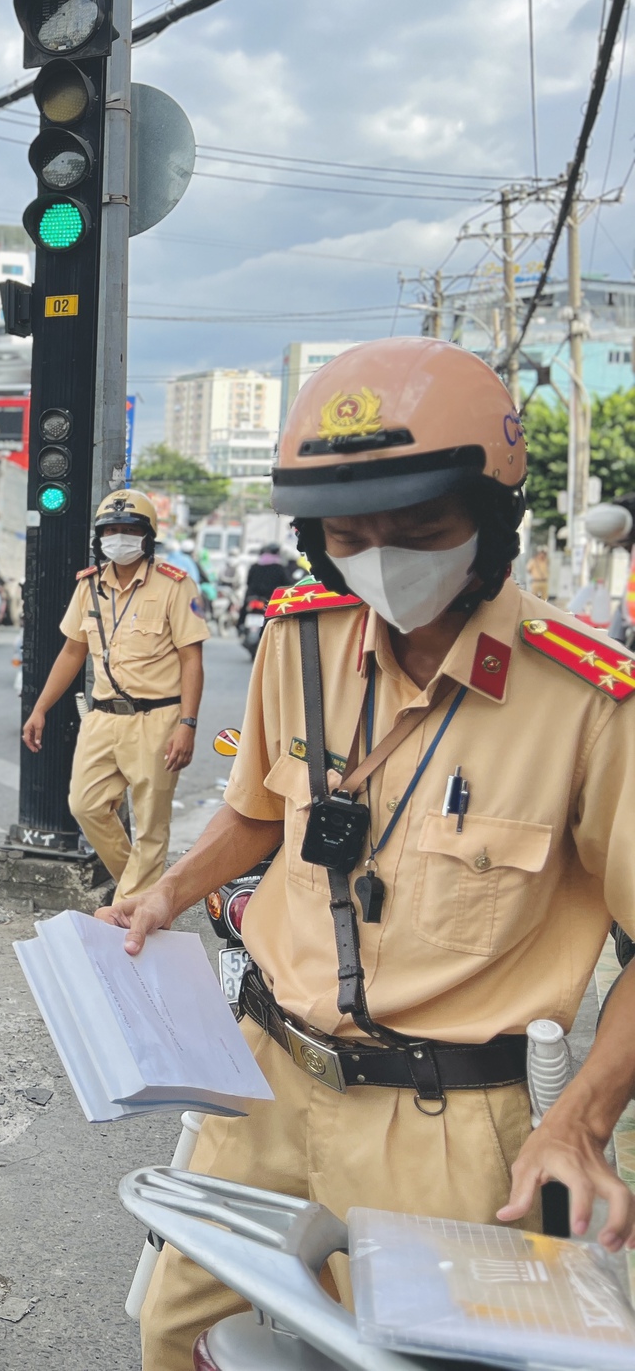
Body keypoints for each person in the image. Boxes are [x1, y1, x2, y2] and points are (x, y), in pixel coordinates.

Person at [118, 337, 635, 1368]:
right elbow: (261, 810)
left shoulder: (587, 701)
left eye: (419, 530)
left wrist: (576, 1124)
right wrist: (163, 890)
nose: (381, 558)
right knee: (170, 1334)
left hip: (446, 1124)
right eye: (347, 535)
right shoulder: (296, 640)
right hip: (259, 1080)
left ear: (490, 521)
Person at [22, 490, 207, 903]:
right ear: (99, 537)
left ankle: (129, 906)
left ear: (147, 537)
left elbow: (191, 660)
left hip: (158, 718)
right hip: (102, 718)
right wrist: (40, 709)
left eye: (129, 530)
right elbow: (72, 652)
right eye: (111, 531)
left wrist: (187, 724)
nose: (119, 538)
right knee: (85, 805)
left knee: (150, 824)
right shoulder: (89, 588)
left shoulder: (176, 585)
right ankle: (139, 889)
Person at [241, 541, 299, 607]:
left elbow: (248, 582)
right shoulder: (279, 568)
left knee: (244, 610)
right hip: (271, 599)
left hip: (252, 597)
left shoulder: (255, 566)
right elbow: (287, 583)